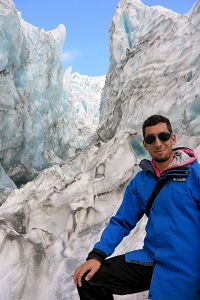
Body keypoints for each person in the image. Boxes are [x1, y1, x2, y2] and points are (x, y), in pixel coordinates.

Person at [74, 115, 200, 300]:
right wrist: (97, 255)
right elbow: (121, 222)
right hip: (153, 258)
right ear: (145, 144)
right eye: (151, 139)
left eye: (163, 136)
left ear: (173, 138)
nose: (158, 143)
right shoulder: (141, 182)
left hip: (186, 262)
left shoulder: (194, 175)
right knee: (88, 279)